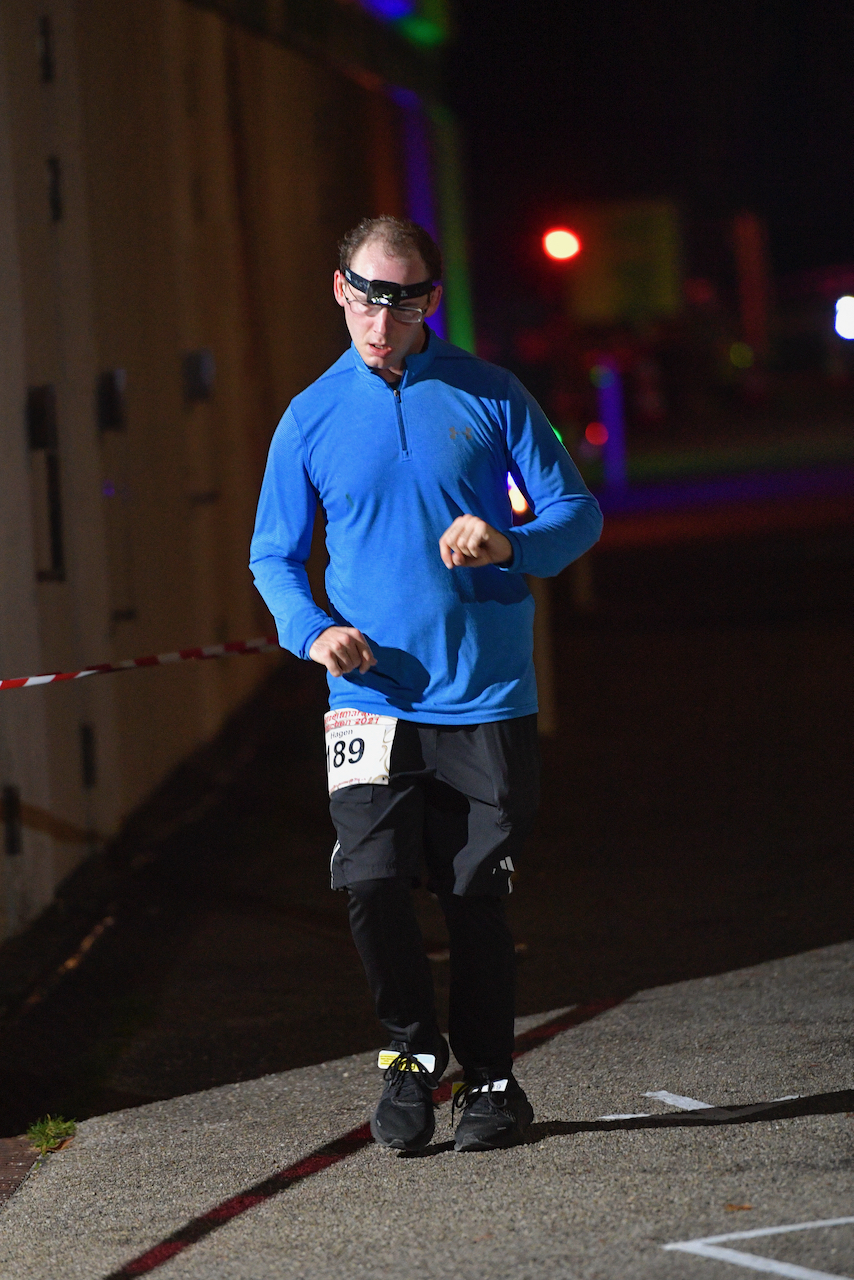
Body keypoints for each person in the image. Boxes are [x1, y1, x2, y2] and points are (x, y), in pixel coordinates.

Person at [250, 216, 602, 1153]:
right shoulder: (308, 418)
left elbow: (578, 512)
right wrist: (314, 630)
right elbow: (274, 557)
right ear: (339, 289)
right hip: (371, 699)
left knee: (471, 891)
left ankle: (490, 1079)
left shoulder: (488, 394)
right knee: (370, 885)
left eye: (402, 298)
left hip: (484, 692)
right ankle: (410, 1054)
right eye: (367, 293)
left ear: (430, 302)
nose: (381, 315)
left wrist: (510, 542)